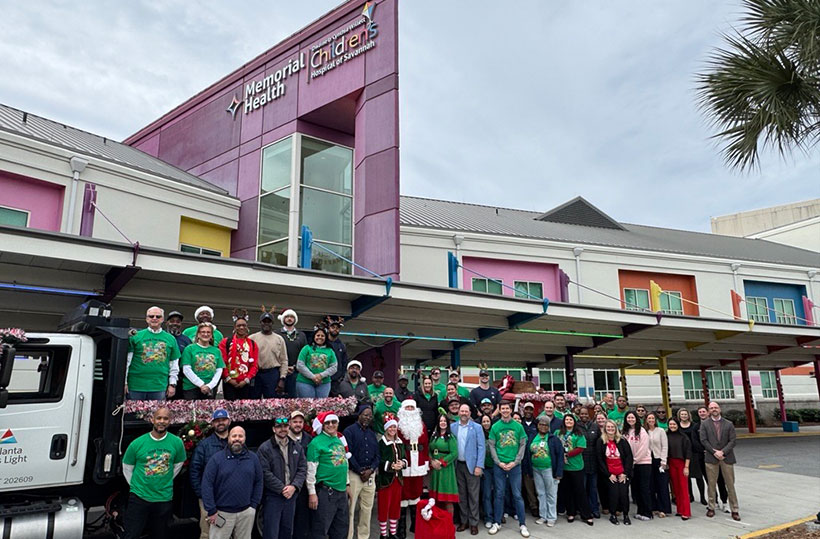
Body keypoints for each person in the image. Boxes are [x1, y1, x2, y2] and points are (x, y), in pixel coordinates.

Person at [122, 407, 186, 539]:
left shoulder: (177, 443)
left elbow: (178, 465)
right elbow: (127, 467)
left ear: (170, 421)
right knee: (131, 534)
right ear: (152, 420)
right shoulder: (137, 443)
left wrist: (164, 480)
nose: (161, 421)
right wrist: (136, 485)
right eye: (159, 418)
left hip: (164, 498)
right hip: (139, 497)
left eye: (165, 418)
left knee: (160, 535)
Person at [201, 426, 263, 539]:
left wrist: (253, 505)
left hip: (246, 513)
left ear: (245, 438)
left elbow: (259, 481)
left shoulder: (253, 458)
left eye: (240, 436)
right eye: (234, 436)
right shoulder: (216, 459)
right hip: (221, 513)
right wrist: (211, 510)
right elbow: (207, 485)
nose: (237, 439)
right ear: (229, 438)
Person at [257, 416, 307, 539]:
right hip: (274, 496)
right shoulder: (265, 448)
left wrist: (294, 487)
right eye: (279, 427)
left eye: (285, 426)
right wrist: (282, 488)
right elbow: (264, 472)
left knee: (287, 531)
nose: (282, 429)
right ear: (274, 429)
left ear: (288, 427)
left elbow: (302, 468)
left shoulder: (296, 447)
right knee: (271, 532)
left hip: (291, 496)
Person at [487, 401, 530, 537]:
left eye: (507, 408)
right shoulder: (495, 427)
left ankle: (522, 524)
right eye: (502, 408)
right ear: (499, 410)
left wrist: (516, 461)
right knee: (499, 494)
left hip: (514, 466)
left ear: (511, 410)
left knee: (517, 495)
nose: (505, 410)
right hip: (499, 465)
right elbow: (492, 446)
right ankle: (497, 522)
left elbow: (523, 444)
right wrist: (498, 462)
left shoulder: (518, 426)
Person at [306, 412, 350, 539]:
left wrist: (347, 484)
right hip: (326, 492)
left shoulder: (338, 440)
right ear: (322, 425)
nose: (331, 425)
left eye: (334, 422)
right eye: (327, 423)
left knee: (341, 530)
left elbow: (344, 463)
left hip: (341, 492)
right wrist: (312, 493)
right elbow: (311, 470)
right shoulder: (316, 443)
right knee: (321, 530)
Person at [190, 409, 232, 539]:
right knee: (207, 533)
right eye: (217, 421)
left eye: (223, 420)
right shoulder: (204, 445)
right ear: (212, 424)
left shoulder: (237, 442)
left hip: (231, 498)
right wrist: (202, 494)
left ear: (229, 421)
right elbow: (194, 471)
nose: (220, 423)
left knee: (230, 532)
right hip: (209, 499)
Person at [126, 306, 181, 400]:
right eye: (151, 316)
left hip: (159, 386)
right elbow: (127, 361)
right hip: (135, 385)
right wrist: (124, 382)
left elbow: (174, 363)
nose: (154, 318)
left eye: (158, 316)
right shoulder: (136, 336)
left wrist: (172, 384)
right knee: (134, 414)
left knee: (156, 414)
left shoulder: (171, 339)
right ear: (146, 319)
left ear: (163, 319)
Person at [700, 401, 740, 521]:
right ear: (709, 411)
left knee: (730, 485)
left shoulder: (728, 424)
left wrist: (722, 452)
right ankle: (711, 507)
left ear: (720, 409)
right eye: (711, 408)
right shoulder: (705, 424)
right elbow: (703, 440)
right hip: (711, 458)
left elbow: (733, 440)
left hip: (726, 458)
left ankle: (735, 509)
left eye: (715, 407)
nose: (714, 409)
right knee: (711, 484)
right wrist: (714, 452)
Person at [344, 406, 379, 539]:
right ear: (359, 415)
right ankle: (349, 536)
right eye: (365, 415)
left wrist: (371, 470)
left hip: (370, 475)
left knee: (367, 510)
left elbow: (377, 455)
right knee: (351, 509)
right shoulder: (349, 431)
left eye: (370, 416)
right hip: (355, 475)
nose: (367, 418)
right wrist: (359, 470)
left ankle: (363, 536)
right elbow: (348, 454)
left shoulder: (371, 433)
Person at [451, 403, 485, 535]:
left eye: (466, 411)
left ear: (470, 413)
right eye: (462, 411)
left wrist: (479, 466)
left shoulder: (477, 427)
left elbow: (481, 447)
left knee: (473, 496)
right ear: (458, 413)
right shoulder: (453, 427)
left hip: (472, 466)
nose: (464, 413)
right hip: (458, 465)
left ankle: (474, 523)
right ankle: (464, 521)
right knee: (462, 495)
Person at [397, 399, 429, 538]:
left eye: (412, 407)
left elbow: (426, 445)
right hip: (405, 462)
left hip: (419, 462)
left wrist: (426, 461)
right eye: (407, 407)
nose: (410, 410)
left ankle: (416, 526)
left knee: (416, 492)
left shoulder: (421, 425)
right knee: (403, 494)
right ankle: (401, 527)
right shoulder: (398, 426)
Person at [556, 414, 593, 526]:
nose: (568, 421)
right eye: (566, 419)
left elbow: (581, 448)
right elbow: (555, 445)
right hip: (563, 467)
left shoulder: (579, 433)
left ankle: (586, 514)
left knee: (580, 491)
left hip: (576, 466)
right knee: (567, 491)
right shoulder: (558, 433)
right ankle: (571, 512)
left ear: (574, 421)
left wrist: (567, 454)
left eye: (570, 419)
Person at [529, 416, 564, 528]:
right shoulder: (533, 437)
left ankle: (551, 517)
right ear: (538, 425)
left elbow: (560, 456)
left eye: (545, 425)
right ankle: (543, 516)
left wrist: (558, 473)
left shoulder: (554, 439)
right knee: (540, 493)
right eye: (541, 424)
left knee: (551, 494)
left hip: (549, 469)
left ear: (549, 427)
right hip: (536, 469)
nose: (543, 426)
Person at [596, 419, 633, 526]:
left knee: (623, 494)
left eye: (612, 427)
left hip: (622, 473)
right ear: (605, 428)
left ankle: (626, 515)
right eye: (608, 427)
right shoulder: (601, 441)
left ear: (615, 428)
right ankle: (613, 515)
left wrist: (625, 473)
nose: (610, 429)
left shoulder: (622, 440)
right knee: (613, 494)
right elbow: (599, 459)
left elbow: (629, 457)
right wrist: (608, 474)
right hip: (610, 474)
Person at [377, 416, 407, 538]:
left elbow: (404, 457)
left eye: (394, 426)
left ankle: (393, 533)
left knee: (395, 507)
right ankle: (383, 534)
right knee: (384, 507)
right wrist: (390, 466)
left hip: (397, 480)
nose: (392, 429)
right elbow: (378, 460)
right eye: (390, 427)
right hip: (385, 480)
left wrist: (402, 463)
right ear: (386, 428)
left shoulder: (400, 442)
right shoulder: (382, 443)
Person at [219, 312, 259, 400]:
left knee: (244, 409)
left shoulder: (252, 344)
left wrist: (246, 380)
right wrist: (228, 379)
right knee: (230, 407)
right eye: (239, 325)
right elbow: (222, 362)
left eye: (244, 325)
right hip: (229, 381)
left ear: (247, 327)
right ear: (234, 327)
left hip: (245, 382)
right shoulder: (225, 342)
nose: (241, 327)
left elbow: (254, 365)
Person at [250, 310, 288, 398]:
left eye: (269, 321)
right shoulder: (252, 338)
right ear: (260, 323)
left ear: (272, 323)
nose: (266, 324)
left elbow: (284, 360)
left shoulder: (279, 339)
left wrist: (282, 378)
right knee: (254, 401)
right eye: (264, 321)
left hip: (272, 374)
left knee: (272, 401)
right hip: (256, 374)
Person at [180, 323, 224, 400]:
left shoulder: (217, 351)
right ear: (198, 334)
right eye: (203, 332)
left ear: (211, 335)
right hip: (191, 388)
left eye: (208, 332)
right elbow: (186, 369)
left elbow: (219, 370)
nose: (205, 334)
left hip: (209, 388)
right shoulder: (189, 349)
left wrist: (209, 386)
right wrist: (201, 384)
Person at [622, 410, 652, 521]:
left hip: (643, 463)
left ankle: (647, 512)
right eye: (628, 418)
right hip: (631, 464)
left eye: (632, 417)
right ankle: (640, 511)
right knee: (636, 489)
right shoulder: (625, 432)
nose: (630, 419)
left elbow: (643, 448)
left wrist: (633, 461)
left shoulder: (642, 431)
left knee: (644, 488)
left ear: (636, 418)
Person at [288, 411, 313, 539]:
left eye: (300, 422)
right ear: (289, 423)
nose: (297, 425)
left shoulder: (309, 439)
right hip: (288, 488)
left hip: (303, 488)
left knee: (302, 522)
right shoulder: (283, 438)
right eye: (295, 422)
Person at [295, 325, 337, 398]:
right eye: (318, 335)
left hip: (324, 383)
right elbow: (300, 365)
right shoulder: (306, 348)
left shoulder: (330, 350)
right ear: (314, 337)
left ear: (326, 337)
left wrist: (321, 375)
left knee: (321, 406)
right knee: (307, 406)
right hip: (305, 382)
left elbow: (334, 367)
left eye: (322, 336)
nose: (320, 337)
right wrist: (313, 377)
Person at [429, 414, 459, 513]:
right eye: (441, 421)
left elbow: (454, 453)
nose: (442, 423)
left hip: (446, 470)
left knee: (447, 499)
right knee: (435, 500)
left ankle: (449, 524)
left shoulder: (450, 437)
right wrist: (432, 461)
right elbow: (429, 450)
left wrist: (441, 462)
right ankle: (438, 524)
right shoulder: (434, 436)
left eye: (444, 421)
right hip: (435, 469)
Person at [678, 408, 707, 506]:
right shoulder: (677, 426)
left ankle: (702, 497)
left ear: (688, 415)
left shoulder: (694, 425)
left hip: (695, 453)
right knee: (687, 477)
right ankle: (690, 495)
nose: (684, 416)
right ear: (679, 416)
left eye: (685, 414)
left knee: (699, 476)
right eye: (682, 414)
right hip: (684, 454)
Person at [645, 412, 671, 517]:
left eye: (652, 418)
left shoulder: (660, 431)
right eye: (649, 418)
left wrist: (663, 461)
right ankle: (653, 507)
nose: (651, 420)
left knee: (662, 485)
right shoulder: (644, 432)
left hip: (659, 459)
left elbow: (665, 446)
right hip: (648, 460)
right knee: (650, 485)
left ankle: (663, 508)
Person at [277, 308, 307, 398]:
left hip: (296, 372)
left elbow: (305, 354)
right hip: (279, 372)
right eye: (287, 317)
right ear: (283, 319)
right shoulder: (276, 334)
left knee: (294, 399)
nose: (289, 319)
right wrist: (284, 368)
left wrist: (295, 367)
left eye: (292, 317)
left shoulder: (301, 335)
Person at [666, 418, 692, 520]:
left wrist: (686, 467)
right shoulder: (666, 436)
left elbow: (688, 453)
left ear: (678, 425)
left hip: (681, 463)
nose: (672, 426)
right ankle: (680, 510)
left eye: (674, 424)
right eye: (670, 424)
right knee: (676, 488)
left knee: (684, 488)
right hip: (671, 463)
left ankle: (686, 512)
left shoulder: (683, 437)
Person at [579, 407, 602, 518]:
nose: (584, 415)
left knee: (593, 488)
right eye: (582, 413)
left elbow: (599, 443)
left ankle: (594, 509)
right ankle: (584, 509)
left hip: (593, 462)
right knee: (582, 488)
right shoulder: (576, 427)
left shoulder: (595, 426)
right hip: (581, 462)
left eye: (586, 414)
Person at [519, 402, 539, 519]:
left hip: (532, 458)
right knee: (520, 485)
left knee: (531, 484)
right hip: (519, 458)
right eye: (526, 409)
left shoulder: (537, 424)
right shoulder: (519, 423)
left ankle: (534, 506)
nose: (528, 412)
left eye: (530, 410)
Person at [479, 414, 496, 530]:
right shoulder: (479, 434)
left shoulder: (495, 433)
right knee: (486, 494)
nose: (486, 423)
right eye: (483, 421)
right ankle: (488, 517)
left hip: (496, 466)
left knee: (498, 493)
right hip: (484, 468)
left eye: (487, 421)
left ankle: (498, 515)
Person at [326, 316, 349, 397]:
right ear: (329, 329)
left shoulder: (342, 346)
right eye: (333, 327)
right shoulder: (323, 344)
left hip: (336, 381)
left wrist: (341, 376)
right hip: (323, 379)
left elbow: (344, 362)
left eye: (337, 328)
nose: (335, 329)